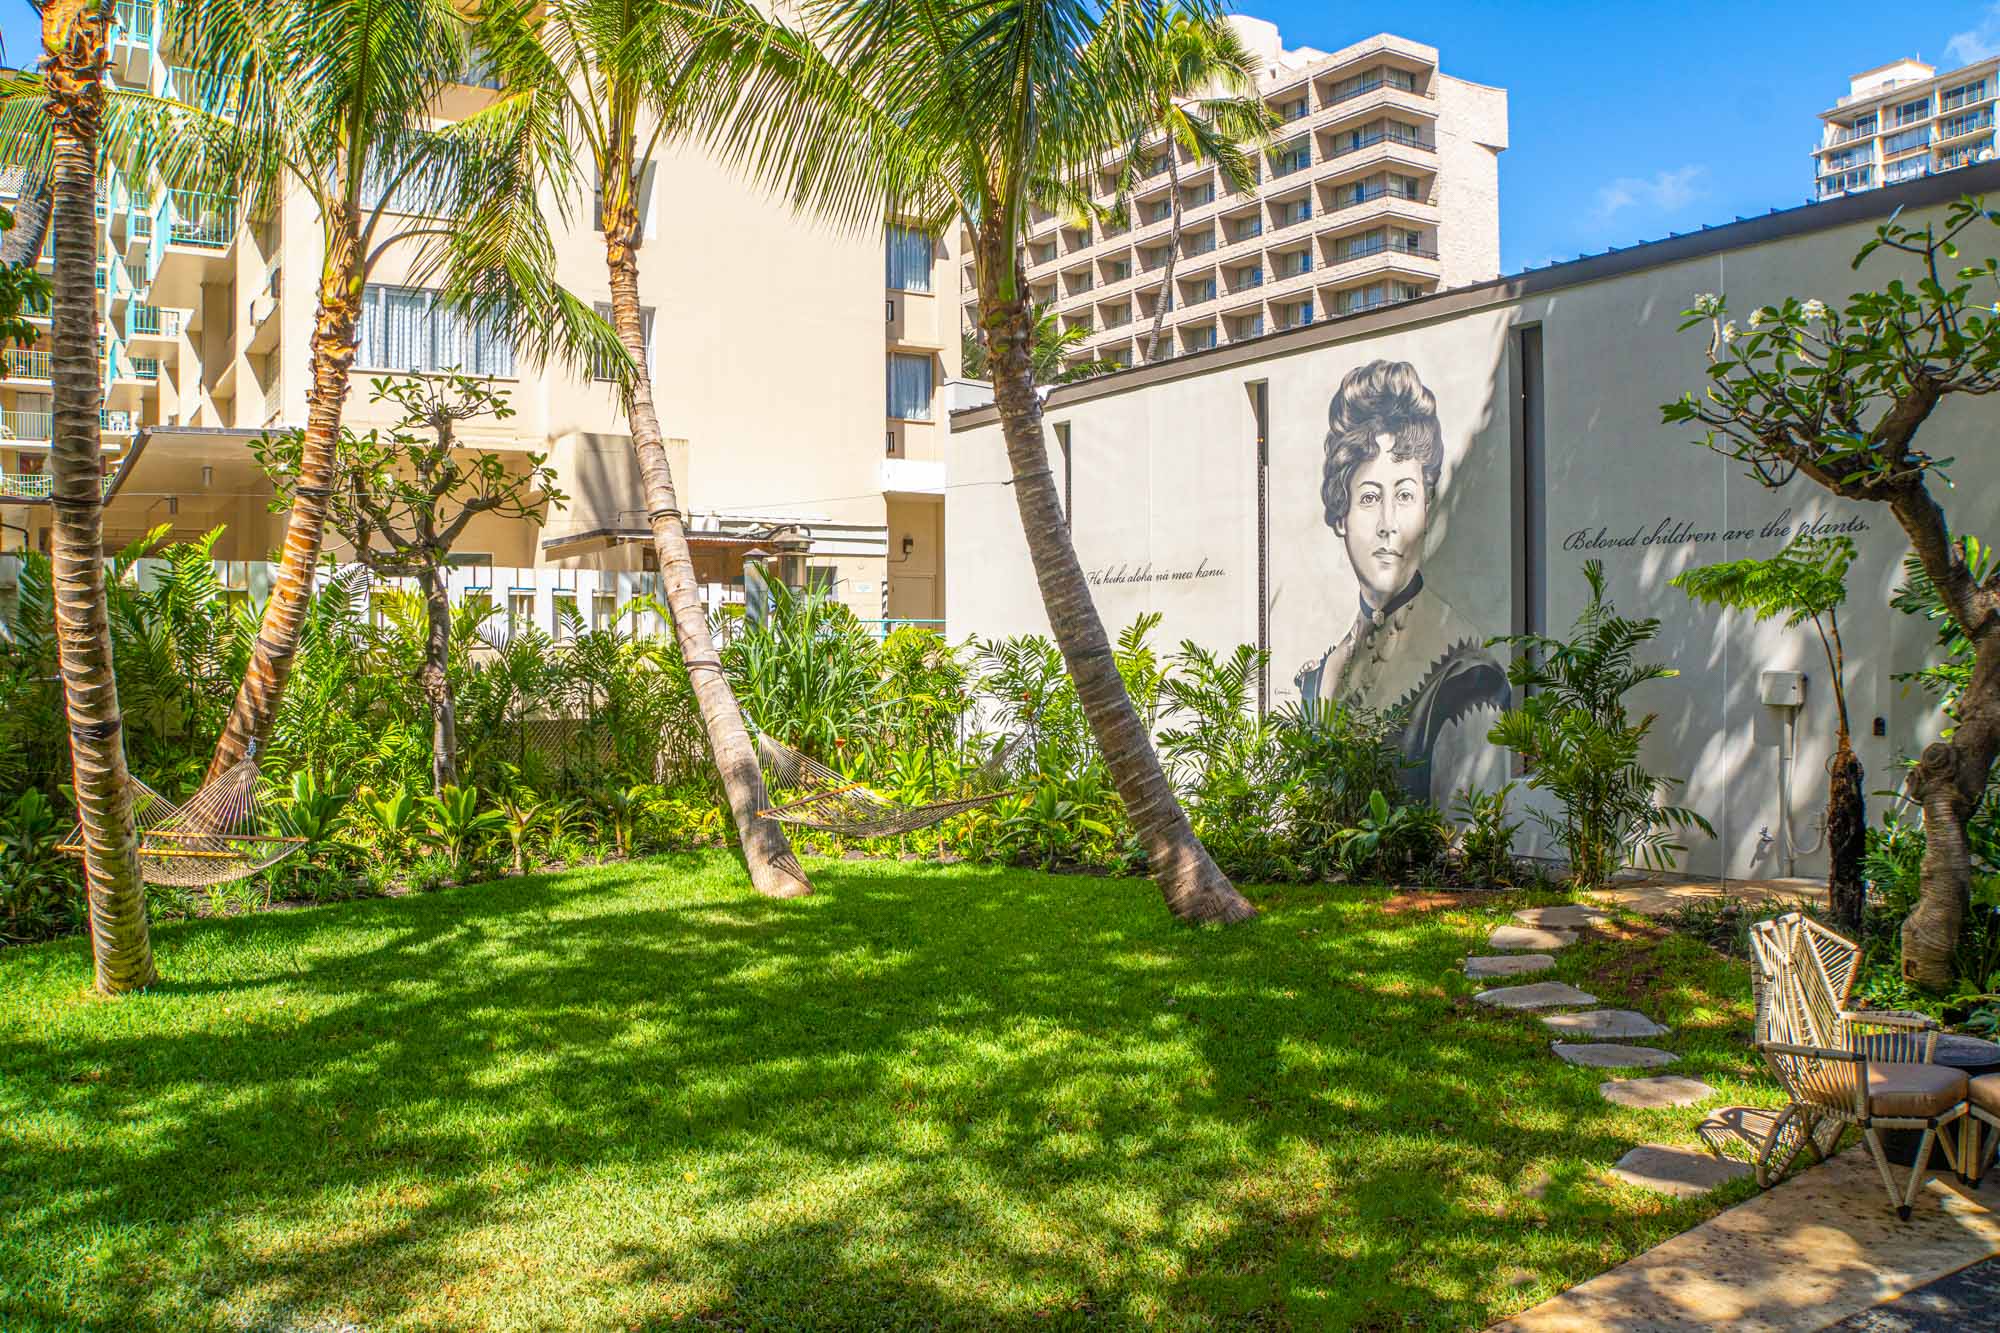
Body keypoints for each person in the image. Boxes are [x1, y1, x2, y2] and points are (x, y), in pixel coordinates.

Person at [1295, 359, 1508, 800]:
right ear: (1341, 514)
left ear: (1428, 507)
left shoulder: (1469, 677)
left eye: (1405, 495)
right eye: (1370, 497)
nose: (1389, 523)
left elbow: (1467, 838)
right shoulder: (1319, 678)